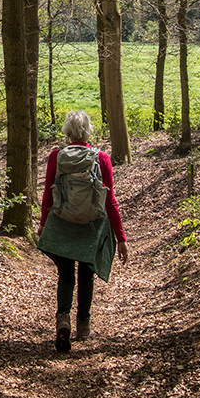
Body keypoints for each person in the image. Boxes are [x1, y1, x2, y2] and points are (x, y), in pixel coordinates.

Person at [37, 110, 128, 352]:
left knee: (65, 274)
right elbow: (110, 201)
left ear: (67, 131)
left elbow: (48, 192)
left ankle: (63, 318)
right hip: (92, 224)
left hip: (63, 220)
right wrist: (121, 237)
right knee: (86, 275)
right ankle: (83, 325)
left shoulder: (56, 157)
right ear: (88, 131)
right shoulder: (101, 158)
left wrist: (43, 222)